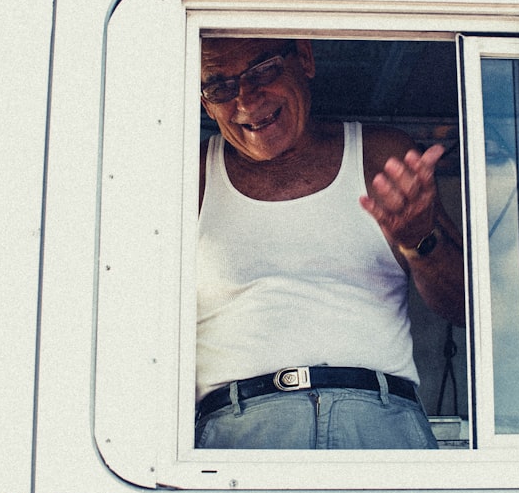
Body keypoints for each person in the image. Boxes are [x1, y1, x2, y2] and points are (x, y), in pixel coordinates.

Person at [196, 37, 464, 449]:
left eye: (262, 70)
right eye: (221, 88)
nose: (246, 100)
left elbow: (467, 310)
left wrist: (419, 241)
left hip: (379, 420)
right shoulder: (189, 176)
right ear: (205, 103)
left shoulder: (381, 156)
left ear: (304, 58)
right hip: (238, 430)